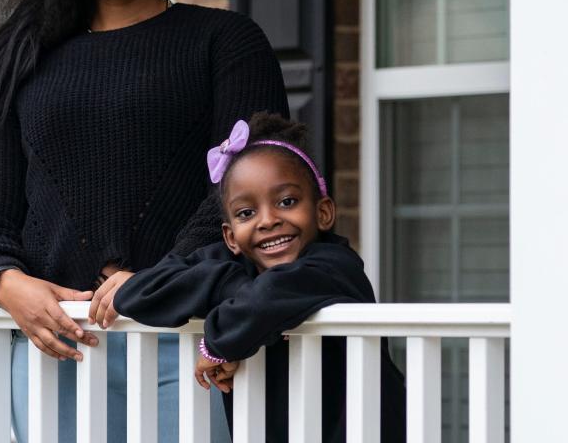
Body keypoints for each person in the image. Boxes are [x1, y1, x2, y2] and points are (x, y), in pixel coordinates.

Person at [0, 0, 288, 443]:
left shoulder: (226, 42)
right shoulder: (23, 55)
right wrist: (7, 284)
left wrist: (158, 279)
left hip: (186, 338)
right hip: (56, 345)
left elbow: (251, 195)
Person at [113, 113, 407, 443]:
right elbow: (135, 292)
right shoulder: (236, 265)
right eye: (246, 213)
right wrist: (231, 287)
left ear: (323, 212)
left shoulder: (335, 266)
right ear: (231, 237)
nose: (267, 220)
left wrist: (216, 345)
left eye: (287, 202)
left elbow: (272, 294)